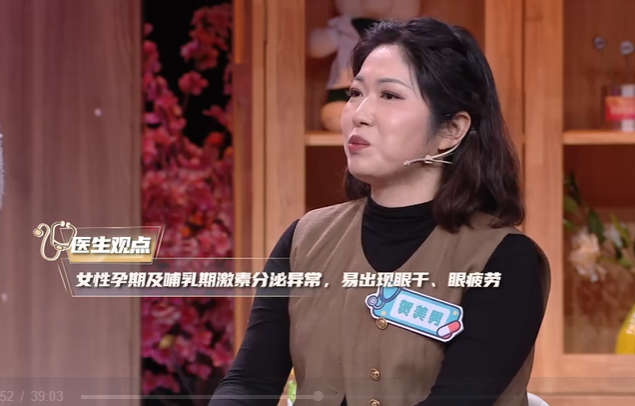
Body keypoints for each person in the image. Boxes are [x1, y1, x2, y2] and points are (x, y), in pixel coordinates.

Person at [210, 17, 550, 406]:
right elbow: (249, 382)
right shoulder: (305, 240)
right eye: (355, 93)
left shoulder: (504, 259)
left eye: (389, 95)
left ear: (451, 130)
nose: (359, 113)